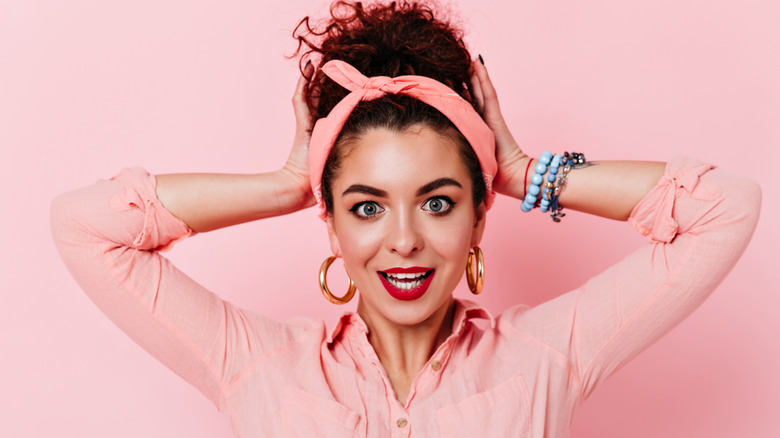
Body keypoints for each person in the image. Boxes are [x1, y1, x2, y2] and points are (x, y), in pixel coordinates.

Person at [50, 1, 760, 436]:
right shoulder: (257, 367)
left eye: (440, 201)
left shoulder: (543, 359)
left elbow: (724, 208)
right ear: (330, 221)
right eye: (365, 206)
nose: (403, 240)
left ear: (480, 217)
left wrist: (515, 169)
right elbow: (84, 226)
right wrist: (288, 183)